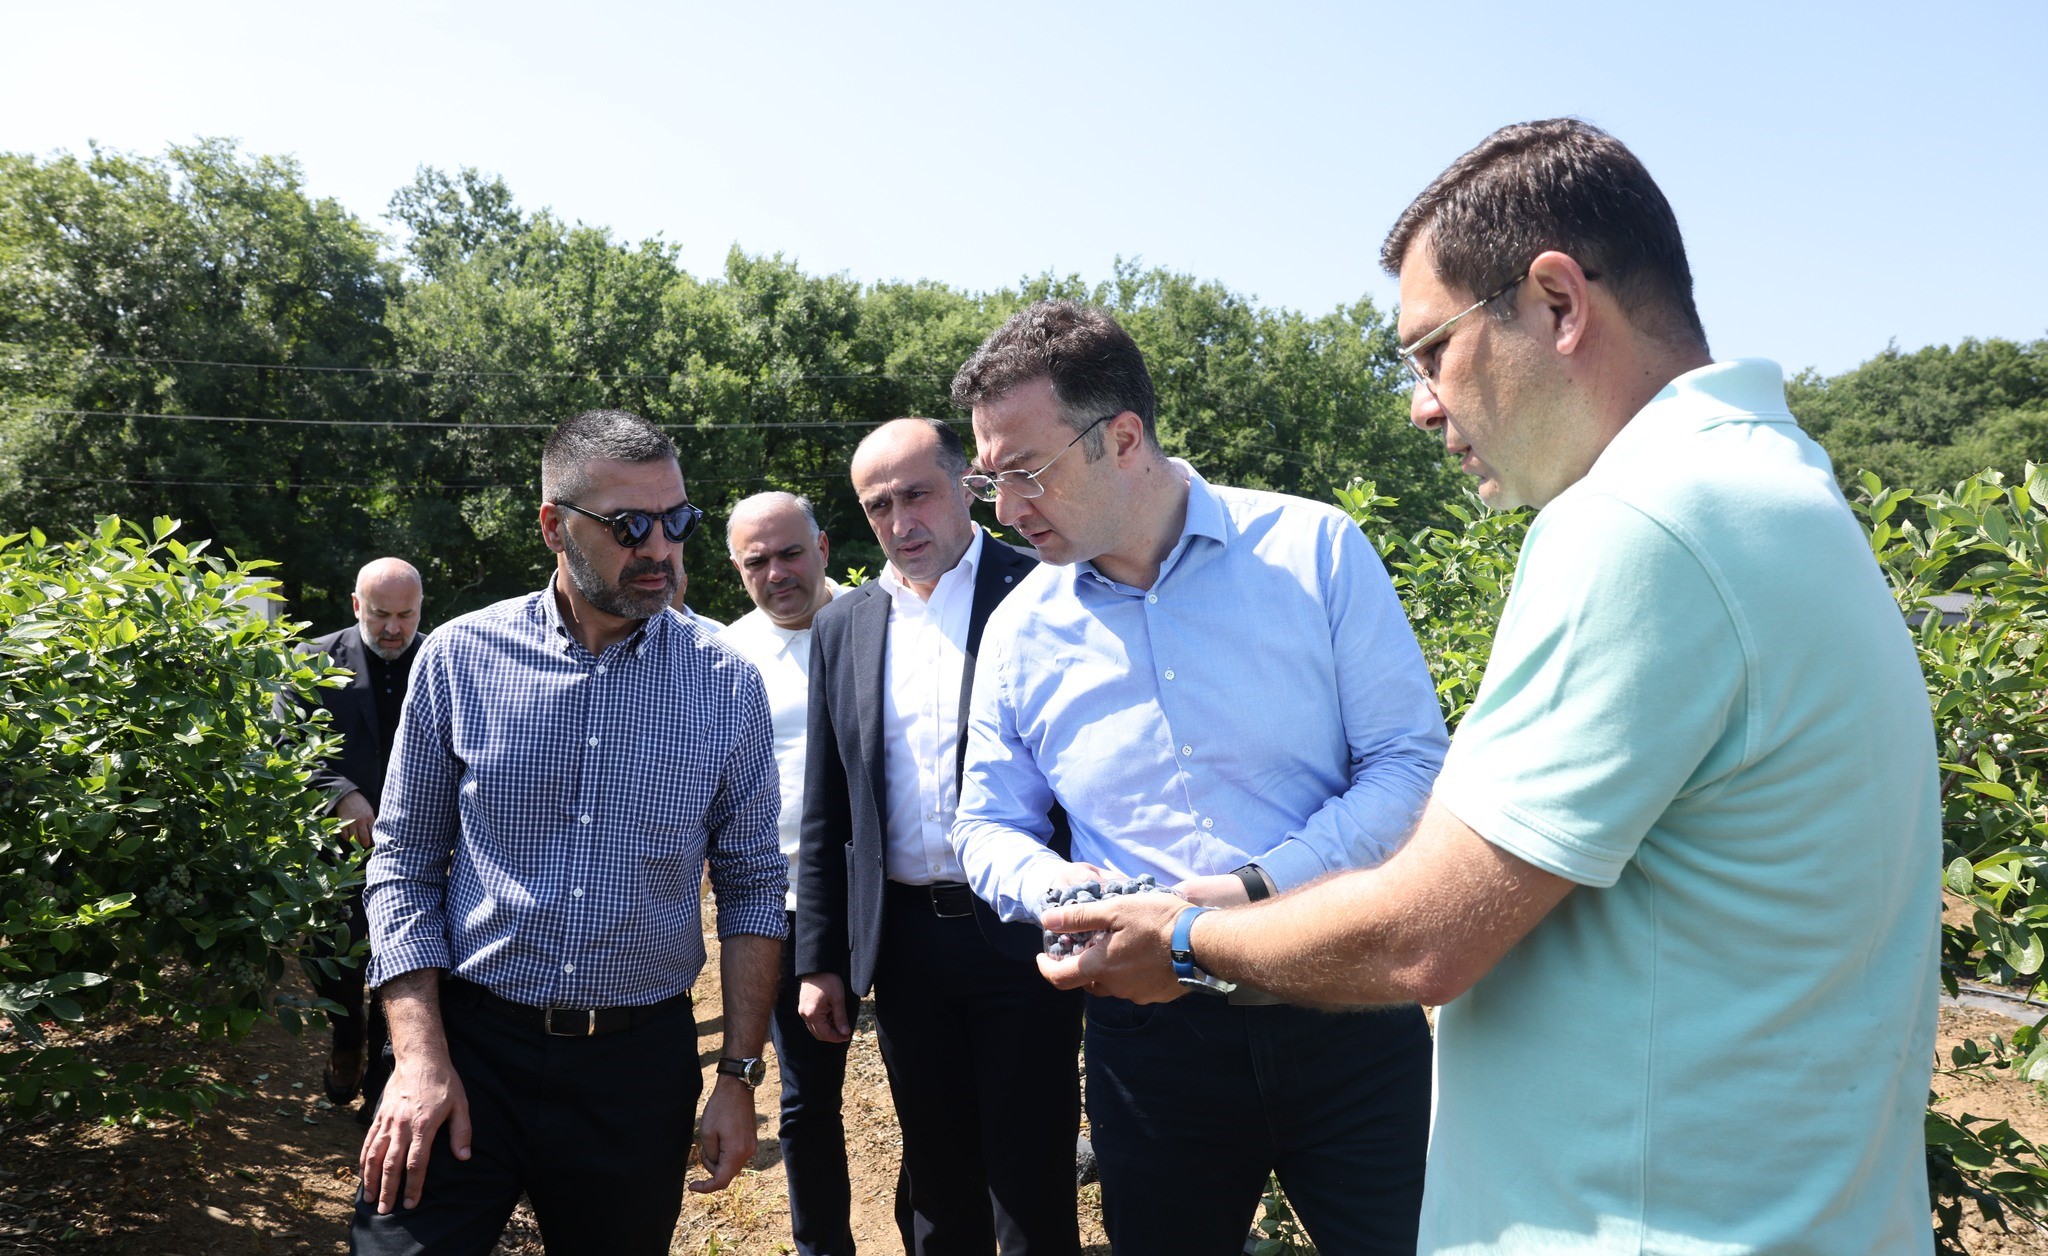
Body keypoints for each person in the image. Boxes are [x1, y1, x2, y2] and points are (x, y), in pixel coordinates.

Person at [1040, 119, 1941, 1253]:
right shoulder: (1771, 488)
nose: (1421, 404)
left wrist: (1182, 941)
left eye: (1431, 351)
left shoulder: (1639, 523)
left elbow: (1427, 936)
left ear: (1557, 302)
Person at [948, 301, 1449, 1255]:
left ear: (1122, 438)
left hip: (1345, 996)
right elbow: (986, 824)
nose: (1005, 510)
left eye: (1026, 473)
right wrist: (1071, 894)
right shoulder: (1019, 629)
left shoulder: (1313, 551)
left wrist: (1248, 895)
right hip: (1152, 1043)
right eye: (990, 479)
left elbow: (1410, 765)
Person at [353, 408, 786, 1255]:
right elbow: (403, 863)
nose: (660, 548)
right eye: (629, 526)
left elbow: (752, 885)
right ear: (555, 526)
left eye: (676, 521)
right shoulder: (461, 658)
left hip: (635, 1070)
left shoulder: (726, 684)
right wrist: (418, 1059)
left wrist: (737, 1074)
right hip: (470, 1043)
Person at [794, 417, 1083, 1256]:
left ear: (967, 486)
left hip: (1023, 932)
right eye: (878, 506)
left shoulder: (1043, 589)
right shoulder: (845, 625)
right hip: (905, 944)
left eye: (916, 494)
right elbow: (828, 806)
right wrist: (820, 959)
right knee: (937, 1176)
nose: (900, 521)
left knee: (1031, 1177)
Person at [713, 492, 855, 1256]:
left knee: (930, 1090)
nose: (777, 573)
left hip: (889, 898)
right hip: (789, 906)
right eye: (756, 561)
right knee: (808, 1100)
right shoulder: (726, 658)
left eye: (791, 553)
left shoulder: (878, 626)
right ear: (737, 571)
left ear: (823, 548)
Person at [288, 556, 424, 1117]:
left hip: (418, 846)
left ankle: (386, 1081)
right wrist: (340, 793)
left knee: (408, 960)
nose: (393, 628)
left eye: (405, 615)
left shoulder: (440, 660)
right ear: (355, 606)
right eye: (379, 614)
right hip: (334, 850)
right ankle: (347, 1039)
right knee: (334, 960)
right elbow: (287, 742)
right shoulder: (312, 662)